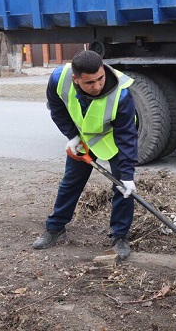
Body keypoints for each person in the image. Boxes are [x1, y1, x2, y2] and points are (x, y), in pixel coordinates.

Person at [32, 50, 138, 260]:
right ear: (76, 79)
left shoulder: (121, 94)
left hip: (112, 138)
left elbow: (127, 136)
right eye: (90, 82)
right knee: (71, 182)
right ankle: (55, 228)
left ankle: (120, 236)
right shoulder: (59, 79)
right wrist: (72, 135)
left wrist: (127, 175)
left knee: (122, 187)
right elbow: (56, 108)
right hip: (83, 138)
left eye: (100, 78)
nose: (97, 86)